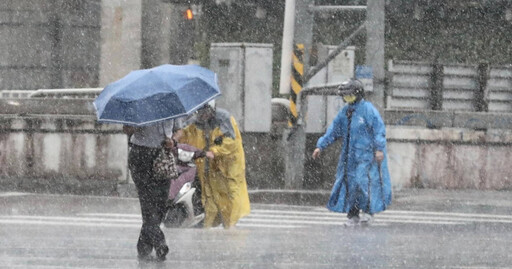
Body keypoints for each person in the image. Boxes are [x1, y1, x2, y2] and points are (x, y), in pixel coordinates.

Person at [312, 79, 392, 226]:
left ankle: (368, 211)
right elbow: (334, 130)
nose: (346, 99)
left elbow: (378, 130)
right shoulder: (345, 112)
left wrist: (379, 149)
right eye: (345, 96)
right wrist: (321, 145)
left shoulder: (368, 110)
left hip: (366, 156)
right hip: (349, 157)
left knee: (364, 183)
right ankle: (353, 214)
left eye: (349, 96)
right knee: (350, 185)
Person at [175, 102, 250, 229]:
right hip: (209, 167)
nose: (202, 116)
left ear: (211, 110)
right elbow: (184, 136)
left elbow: (231, 143)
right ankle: (208, 226)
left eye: (204, 112)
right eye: (199, 113)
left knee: (231, 195)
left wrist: (215, 151)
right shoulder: (194, 122)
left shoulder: (224, 118)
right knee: (209, 196)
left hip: (228, 166)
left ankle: (230, 225)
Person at [123, 119, 182, 261]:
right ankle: (159, 242)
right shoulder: (139, 105)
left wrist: (173, 141)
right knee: (148, 203)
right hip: (141, 155)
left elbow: (179, 130)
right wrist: (136, 125)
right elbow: (126, 129)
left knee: (161, 204)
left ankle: (143, 247)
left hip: (163, 155)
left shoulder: (171, 103)